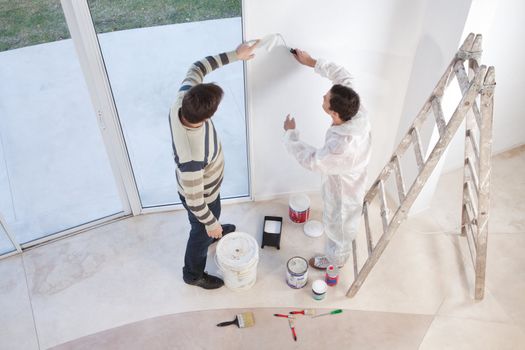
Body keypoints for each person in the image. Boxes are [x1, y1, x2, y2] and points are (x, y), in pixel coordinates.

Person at [170, 41, 258, 289]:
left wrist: (235, 55)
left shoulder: (181, 100)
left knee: (209, 219)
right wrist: (211, 224)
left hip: (206, 191)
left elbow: (198, 67)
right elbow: (196, 201)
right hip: (202, 197)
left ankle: (211, 230)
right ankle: (193, 274)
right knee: (199, 230)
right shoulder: (192, 156)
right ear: (207, 117)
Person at [283, 49, 372, 269]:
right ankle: (337, 255)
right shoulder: (354, 107)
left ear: (333, 113)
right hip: (353, 169)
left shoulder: (341, 147)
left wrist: (291, 135)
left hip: (345, 188)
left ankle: (335, 261)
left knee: (339, 226)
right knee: (338, 220)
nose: (323, 96)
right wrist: (310, 61)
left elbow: (313, 161)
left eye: (326, 99)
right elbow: (343, 76)